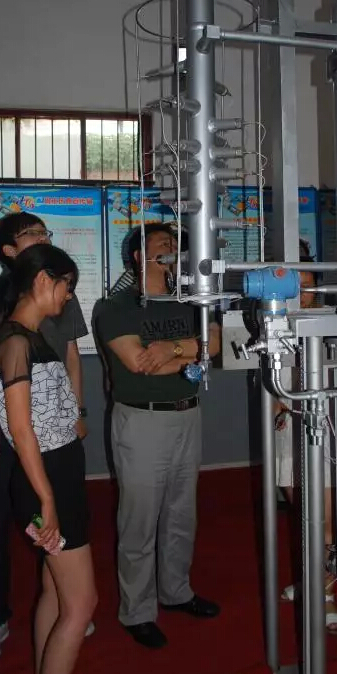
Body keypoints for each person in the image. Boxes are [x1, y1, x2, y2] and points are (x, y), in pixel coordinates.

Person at [0, 211, 93, 664]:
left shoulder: (40, 320)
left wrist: (75, 410)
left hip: (53, 437)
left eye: (45, 232)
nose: (43, 237)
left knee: (57, 571)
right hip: (26, 438)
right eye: (33, 233)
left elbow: (71, 358)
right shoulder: (1, 311)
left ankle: (66, 597)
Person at [93, 223, 221, 649]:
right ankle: (137, 611)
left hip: (189, 415)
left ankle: (176, 591)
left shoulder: (190, 299)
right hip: (142, 421)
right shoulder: (116, 306)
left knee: (182, 514)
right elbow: (138, 363)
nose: (173, 249)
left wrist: (171, 350)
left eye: (176, 244)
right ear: (138, 257)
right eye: (163, 243)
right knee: (140, 520)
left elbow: (215, 343)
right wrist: (190, 353)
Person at [273, 245, 337, 632]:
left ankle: (327, 594)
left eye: (307, 283)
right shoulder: (271, 321)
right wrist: (276, 406)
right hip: (290, 432)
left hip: (331, 428)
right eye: (292, 285)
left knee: (327, 521)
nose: (301, 293)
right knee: (304, 516)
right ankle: (310, 580)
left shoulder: (336, 320)